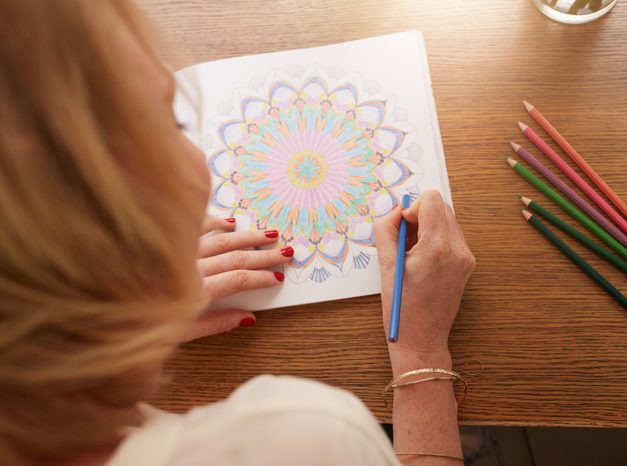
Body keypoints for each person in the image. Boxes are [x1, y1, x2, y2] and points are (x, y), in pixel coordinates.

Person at [0, 1, 476, 465]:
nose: (199, 165)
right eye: (168, 125)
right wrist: (420, 353)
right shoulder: (304, 438)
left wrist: (98, 325)